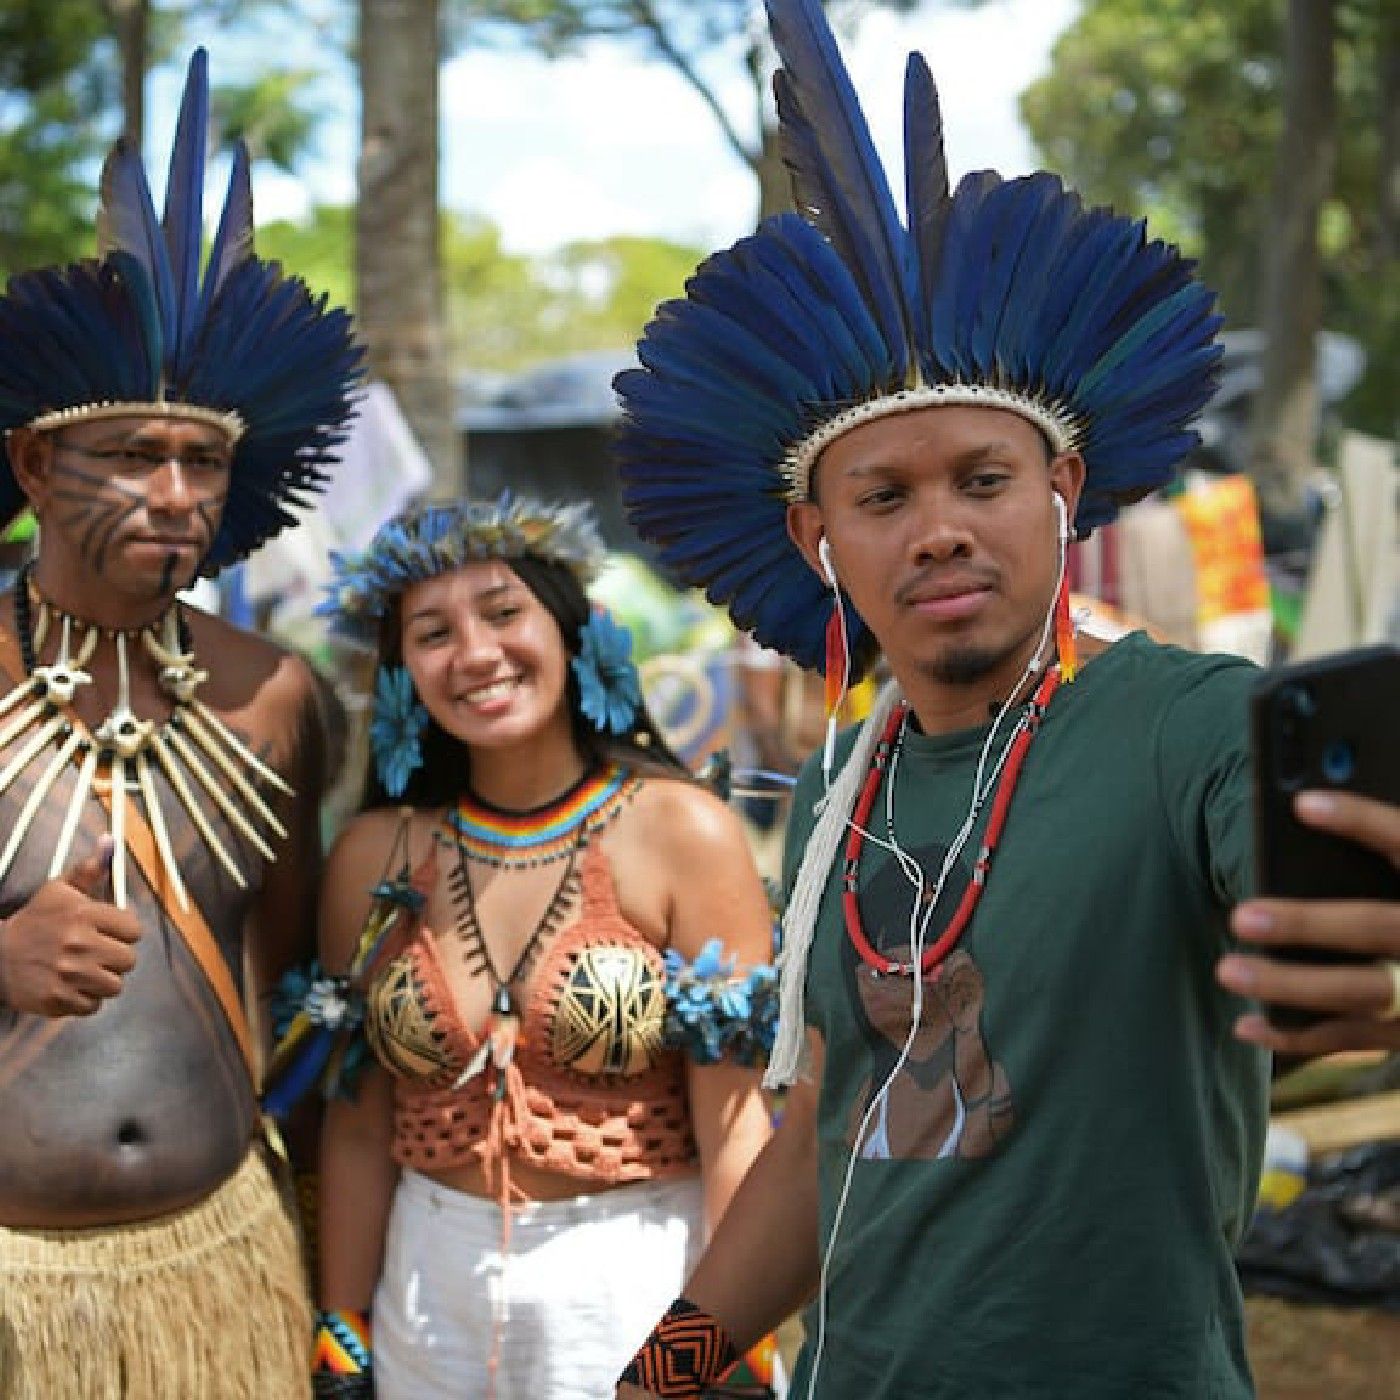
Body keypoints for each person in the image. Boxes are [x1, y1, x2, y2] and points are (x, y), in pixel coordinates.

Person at [606, 2, 1400, 1395]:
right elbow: (829, 1130)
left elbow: (1322, 904)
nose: (940, 530)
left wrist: (1367, 967)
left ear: (1064, 493)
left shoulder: (1189, 725)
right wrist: (666, 1368)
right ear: (818, 543)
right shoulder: (847, 797)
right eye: (883, 496)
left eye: (983, 479)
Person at [0, 50, 361, 1399]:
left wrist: (340, 1306)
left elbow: (304, 1007)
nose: (175, 494)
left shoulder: (275, 698)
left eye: (203, 460)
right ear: (36, 462)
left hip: (224, 1279)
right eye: (133, 456)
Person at [303, 495, 776, 1398]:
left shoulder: (684, 832)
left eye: (504, 612)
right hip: (425, 1293)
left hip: (636, 1287)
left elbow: (732, 1123)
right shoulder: (376, 854)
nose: (476, 654)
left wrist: (726, 1348)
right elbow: (359, 1124)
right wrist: (343, 1331)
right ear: (401, 674)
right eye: (432, 633)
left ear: (573, 633)